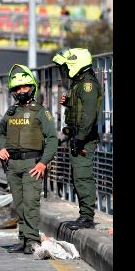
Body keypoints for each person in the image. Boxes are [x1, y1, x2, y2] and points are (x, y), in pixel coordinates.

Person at [0, 64, 57, 254]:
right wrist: (1, 147)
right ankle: (23, 240)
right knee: (20, 205)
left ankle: (32, 240)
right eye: (18, 88)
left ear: (32, 88)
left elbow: (52, 139)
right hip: (12, 165)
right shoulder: (10, 112)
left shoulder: (41, 112)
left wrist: (42, 163)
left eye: (25, 87)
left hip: (32, 164)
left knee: (31, 204)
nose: (22, 91)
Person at [52, 48, 103, 230]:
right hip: (77, 136)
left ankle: (87, 218)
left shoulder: (87, 84)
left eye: (67, 66)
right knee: (77, 176)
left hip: (84, 138)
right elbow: (81, 108)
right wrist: (69, 103)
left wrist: (80, 139)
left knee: (83, 176)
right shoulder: (79, 83)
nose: (65, 70)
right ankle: (84, 215)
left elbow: (88, 116)